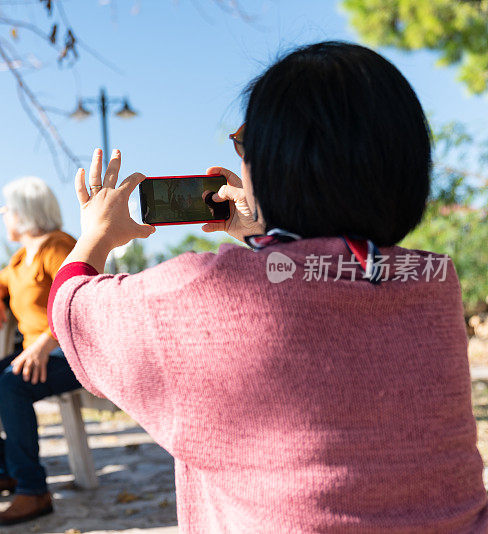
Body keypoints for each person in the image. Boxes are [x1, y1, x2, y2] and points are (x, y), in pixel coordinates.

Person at [47, 42, 488, 532]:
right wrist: (265, 236)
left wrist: (95, 234)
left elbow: (72, 309)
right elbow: (328, 278)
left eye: (245, 142)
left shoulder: (201, 294)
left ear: (273, 163)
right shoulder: (432, 283)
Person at [0, 176, 81, 526]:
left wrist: (46, 343)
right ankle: (6, 473)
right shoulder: (20, 257)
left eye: (6, 209)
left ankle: (34, 490)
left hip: (68, 351)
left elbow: (78, 299)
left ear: (24, 212)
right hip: (34, 352)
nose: (2, 214)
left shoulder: (57, 246)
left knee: (11, 387)